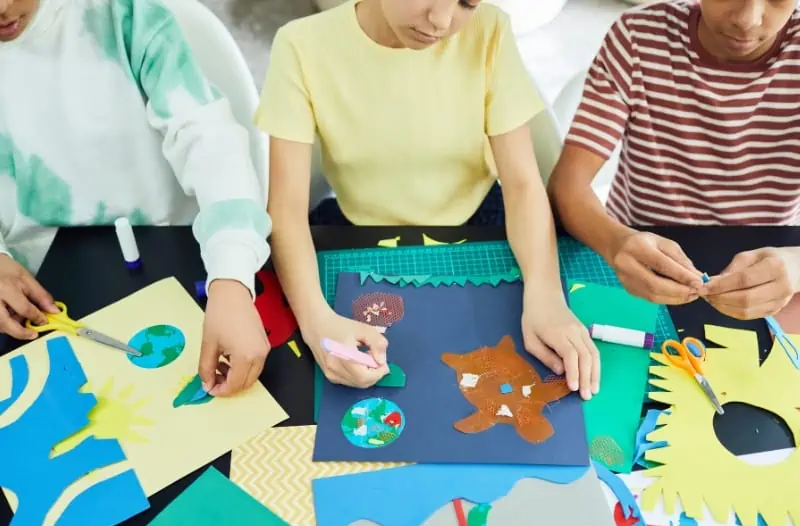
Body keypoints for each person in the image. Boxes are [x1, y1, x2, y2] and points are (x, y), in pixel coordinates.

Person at [258, 0, 600, 400]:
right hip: (358, 228)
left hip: (480, 219)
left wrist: (546, 296)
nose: (440, 21)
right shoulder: (301, 45)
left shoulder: (489, 30)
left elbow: (523, 183)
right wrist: (316, 322)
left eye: (467, 2)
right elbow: (285, 209)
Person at [0, 0, 271, 395]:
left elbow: (211, 143)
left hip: (171, 257)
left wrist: (231, 278)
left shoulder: (122, 15)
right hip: (29, 287)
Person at [549, 0, 800, 321]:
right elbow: (567, 184)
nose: (747, 20)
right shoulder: (637, 39)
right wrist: (615, 243)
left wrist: (795, 265)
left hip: (772, 270)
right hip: (637, 262)